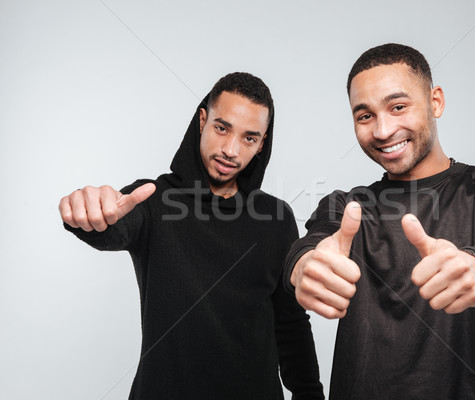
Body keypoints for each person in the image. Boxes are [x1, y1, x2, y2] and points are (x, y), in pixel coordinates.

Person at [285, 44, 475, 399]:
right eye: (365, 116)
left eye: (398, 107)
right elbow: (310, 247)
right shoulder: (345, 206)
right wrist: (304, 268)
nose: (382, 130)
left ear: (435, 102)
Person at [59, 72, 324, 400]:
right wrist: (88, 215)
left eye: (249, 138)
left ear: (261, 144)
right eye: (222, 127)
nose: (230, 150)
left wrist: (309, 393)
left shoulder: (277, 218)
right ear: (203, 120)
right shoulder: (153, 199)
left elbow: (290, 321)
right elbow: (115, 226)